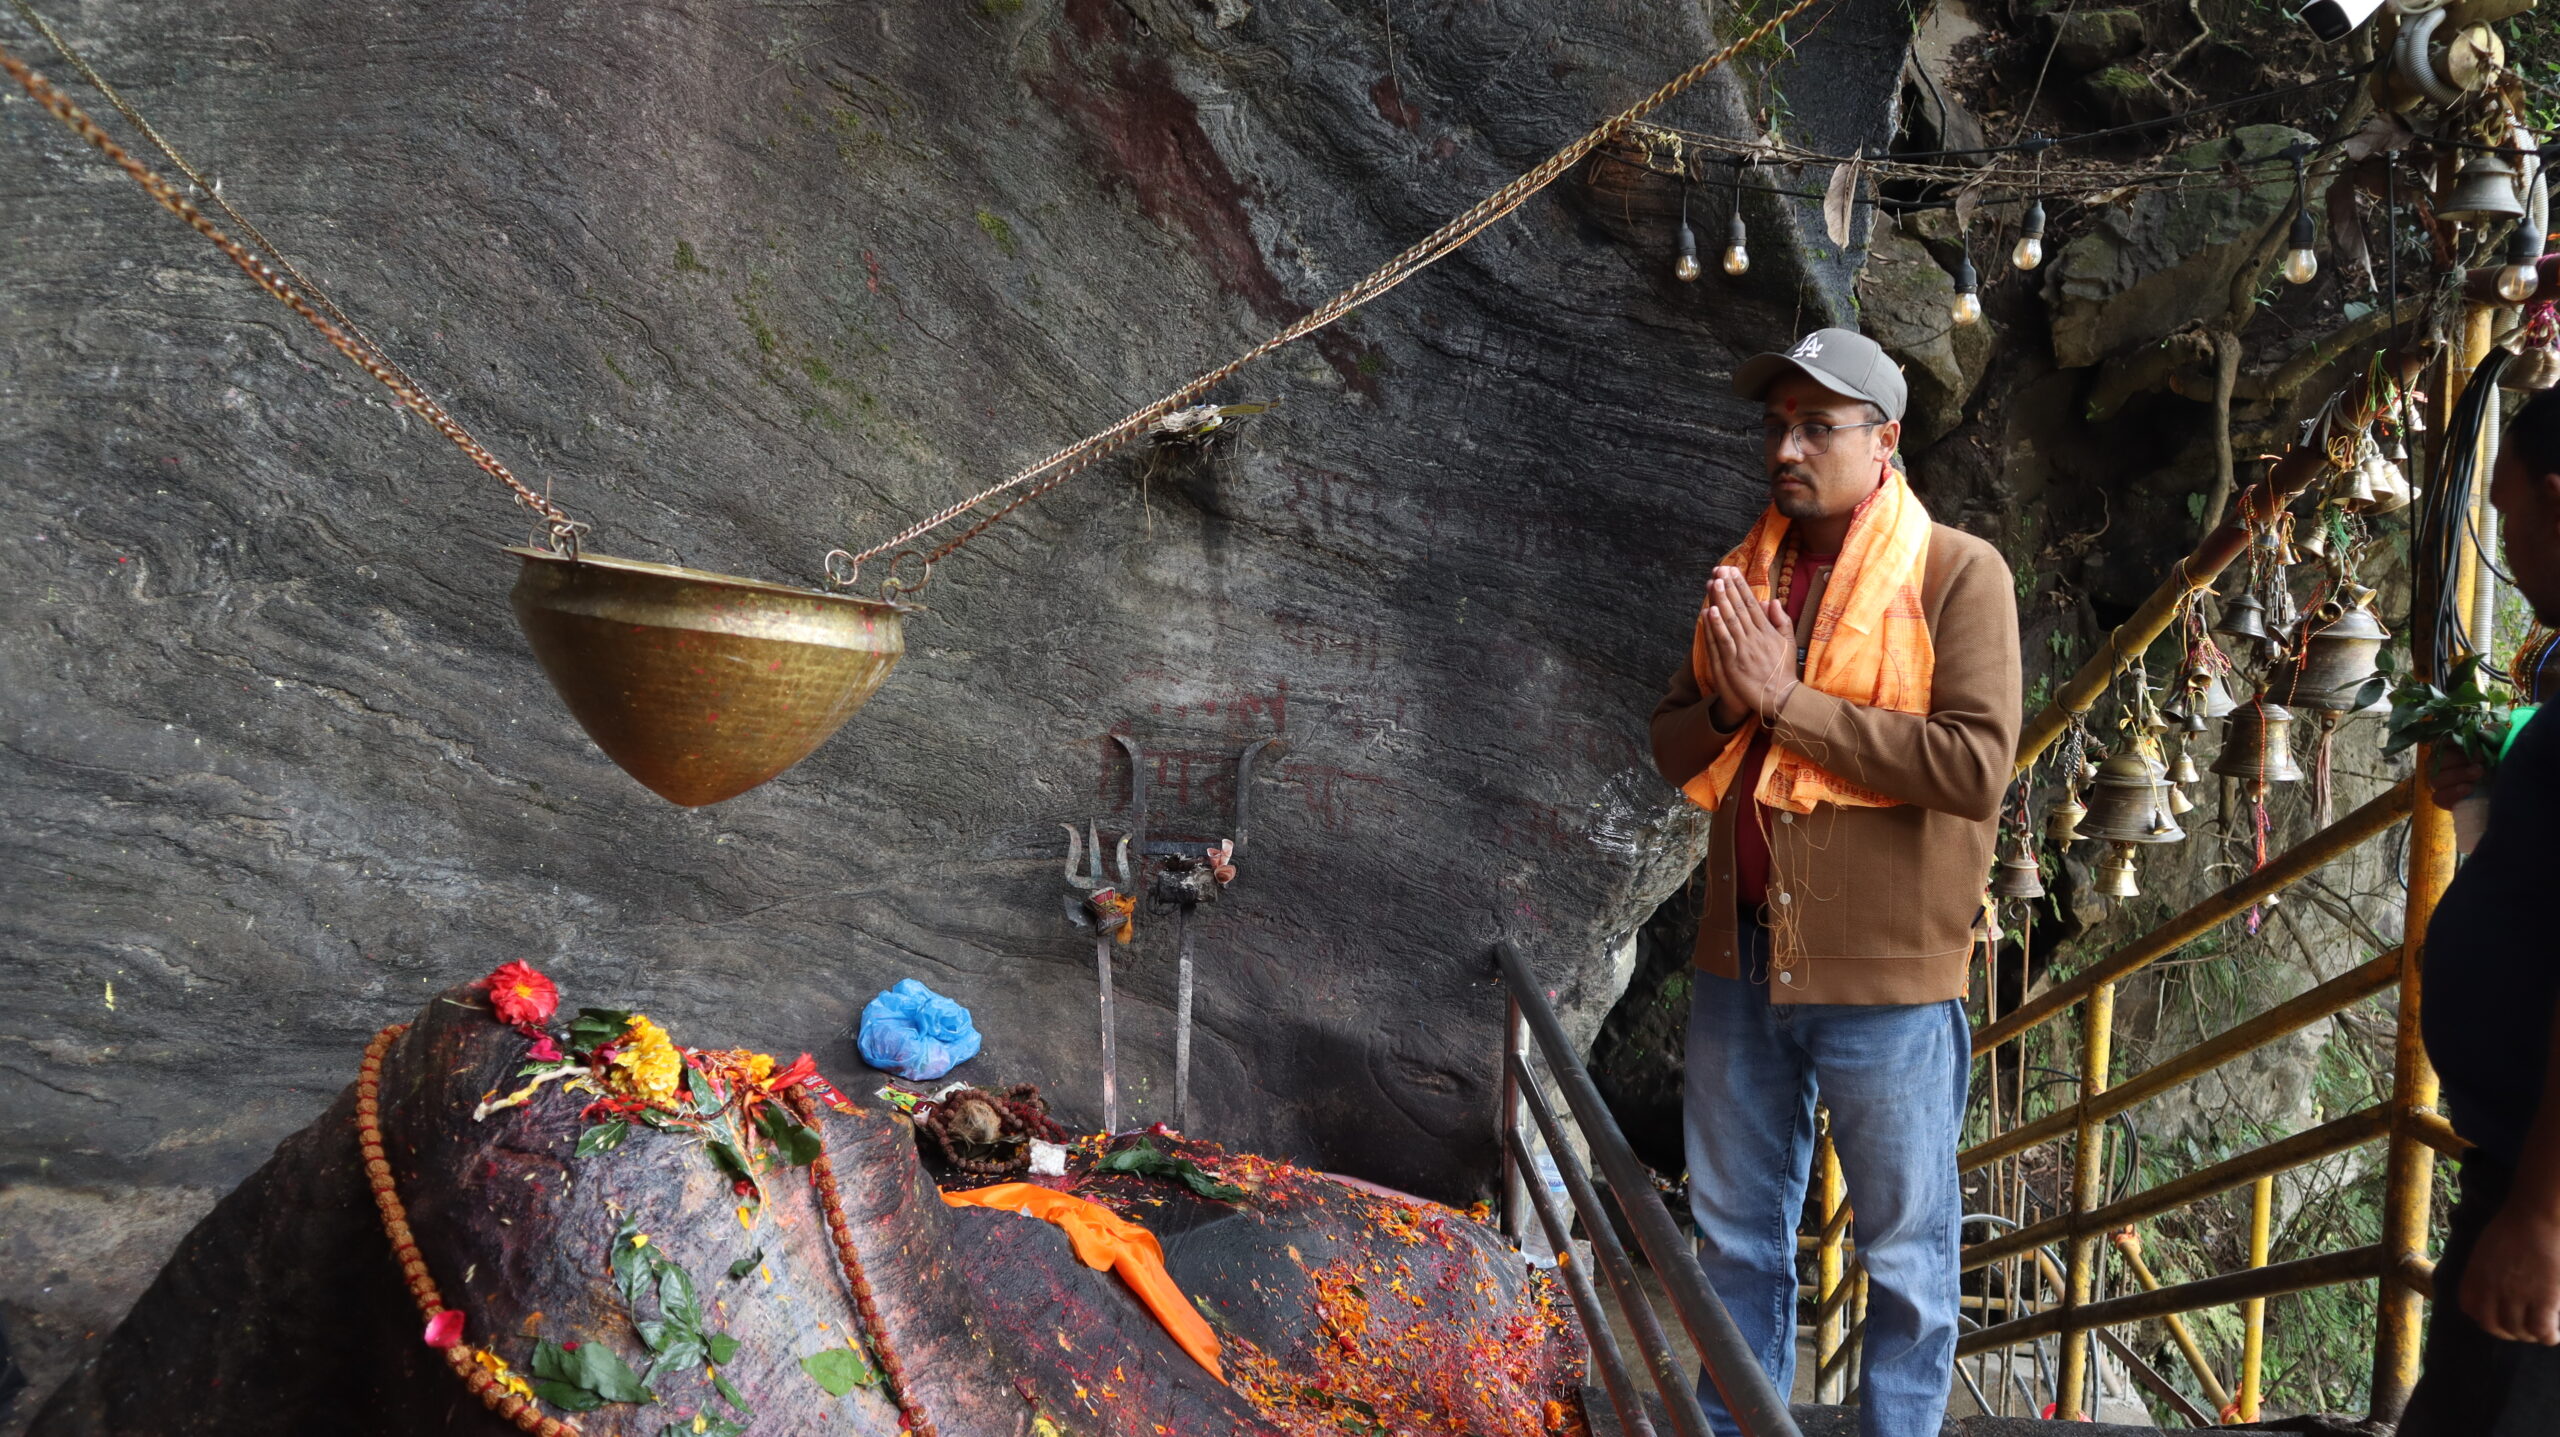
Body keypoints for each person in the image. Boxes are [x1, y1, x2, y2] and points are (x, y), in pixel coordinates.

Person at [1649, 328, 2020, 1436]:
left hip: (1890, 987)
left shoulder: (1957, 572)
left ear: (1885, 440)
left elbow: (1972, 764)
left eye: (1818, 425)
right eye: (1777, 425)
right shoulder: (1743, 576)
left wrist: (1784, 704)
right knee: (1733, 1240)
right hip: (1740, 958)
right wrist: (1728, 699)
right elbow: (1673, 746)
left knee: (1903, 1252)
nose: (1788, 446)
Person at [2400, 386, 2560, 1432]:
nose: (2504, 550)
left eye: (2506, 521)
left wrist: (2543, 1217)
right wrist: (2488, 793)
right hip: (2508, 1165)